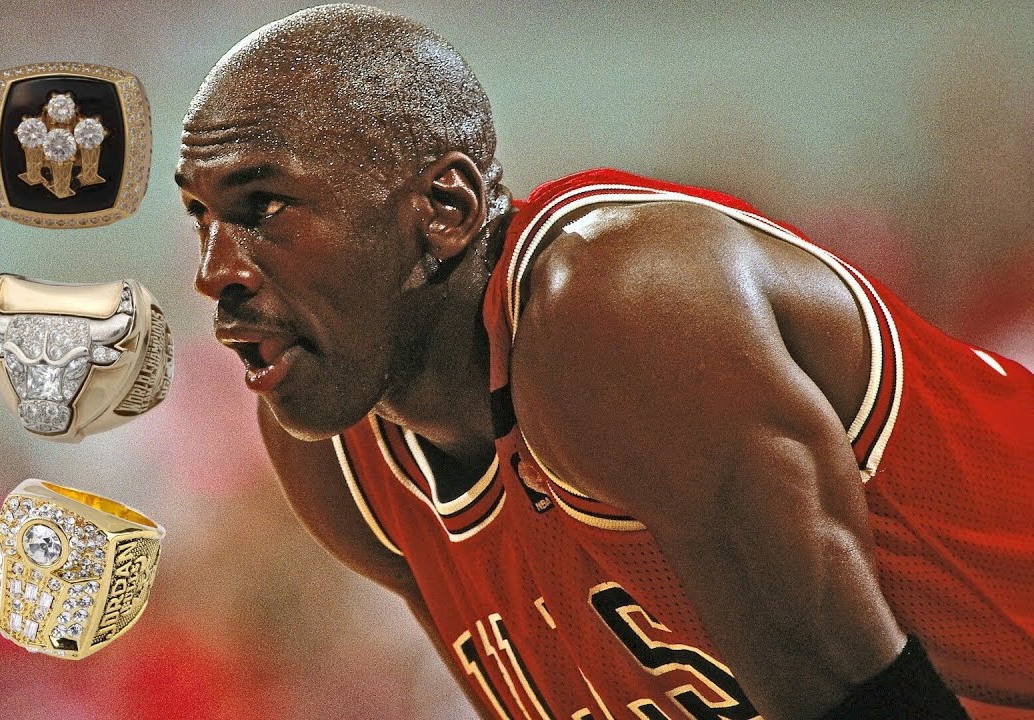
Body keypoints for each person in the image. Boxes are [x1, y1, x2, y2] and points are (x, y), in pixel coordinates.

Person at [175, 5, 1034, 718]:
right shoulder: (338, 459)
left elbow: (866, 702)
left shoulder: (618, 308)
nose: (214, 272)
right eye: (201, 219)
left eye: (264, 208)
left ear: (445, 207)